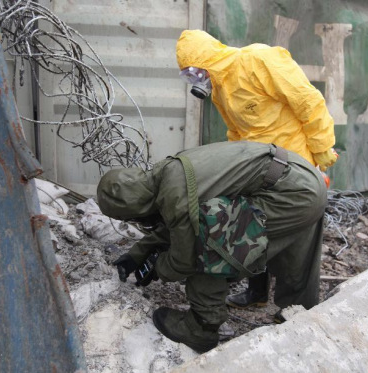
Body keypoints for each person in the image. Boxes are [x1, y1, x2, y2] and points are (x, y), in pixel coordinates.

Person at [97, 141, 327, 353]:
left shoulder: (175, 196)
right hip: (302, 176)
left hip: (292, 195)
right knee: (292, 254)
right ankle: (300, 316)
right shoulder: (167, 171)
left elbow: (184, 258)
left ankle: (200, 328)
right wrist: (136, 255)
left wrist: (158, 267)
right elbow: (179, 220)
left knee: (206, 241)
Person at [176, 29, 337, 309]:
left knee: (299, 242)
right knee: (253, 225)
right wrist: (236, 166)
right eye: (188, 74)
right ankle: (256, 294)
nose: (196, 79)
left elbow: (307, 101)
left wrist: (322, 147)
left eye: (195, 71)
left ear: (205, 60)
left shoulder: (258, 59)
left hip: (296, 165)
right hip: (261, 166)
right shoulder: (221, 89)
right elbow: (237, 132)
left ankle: (294, 309)